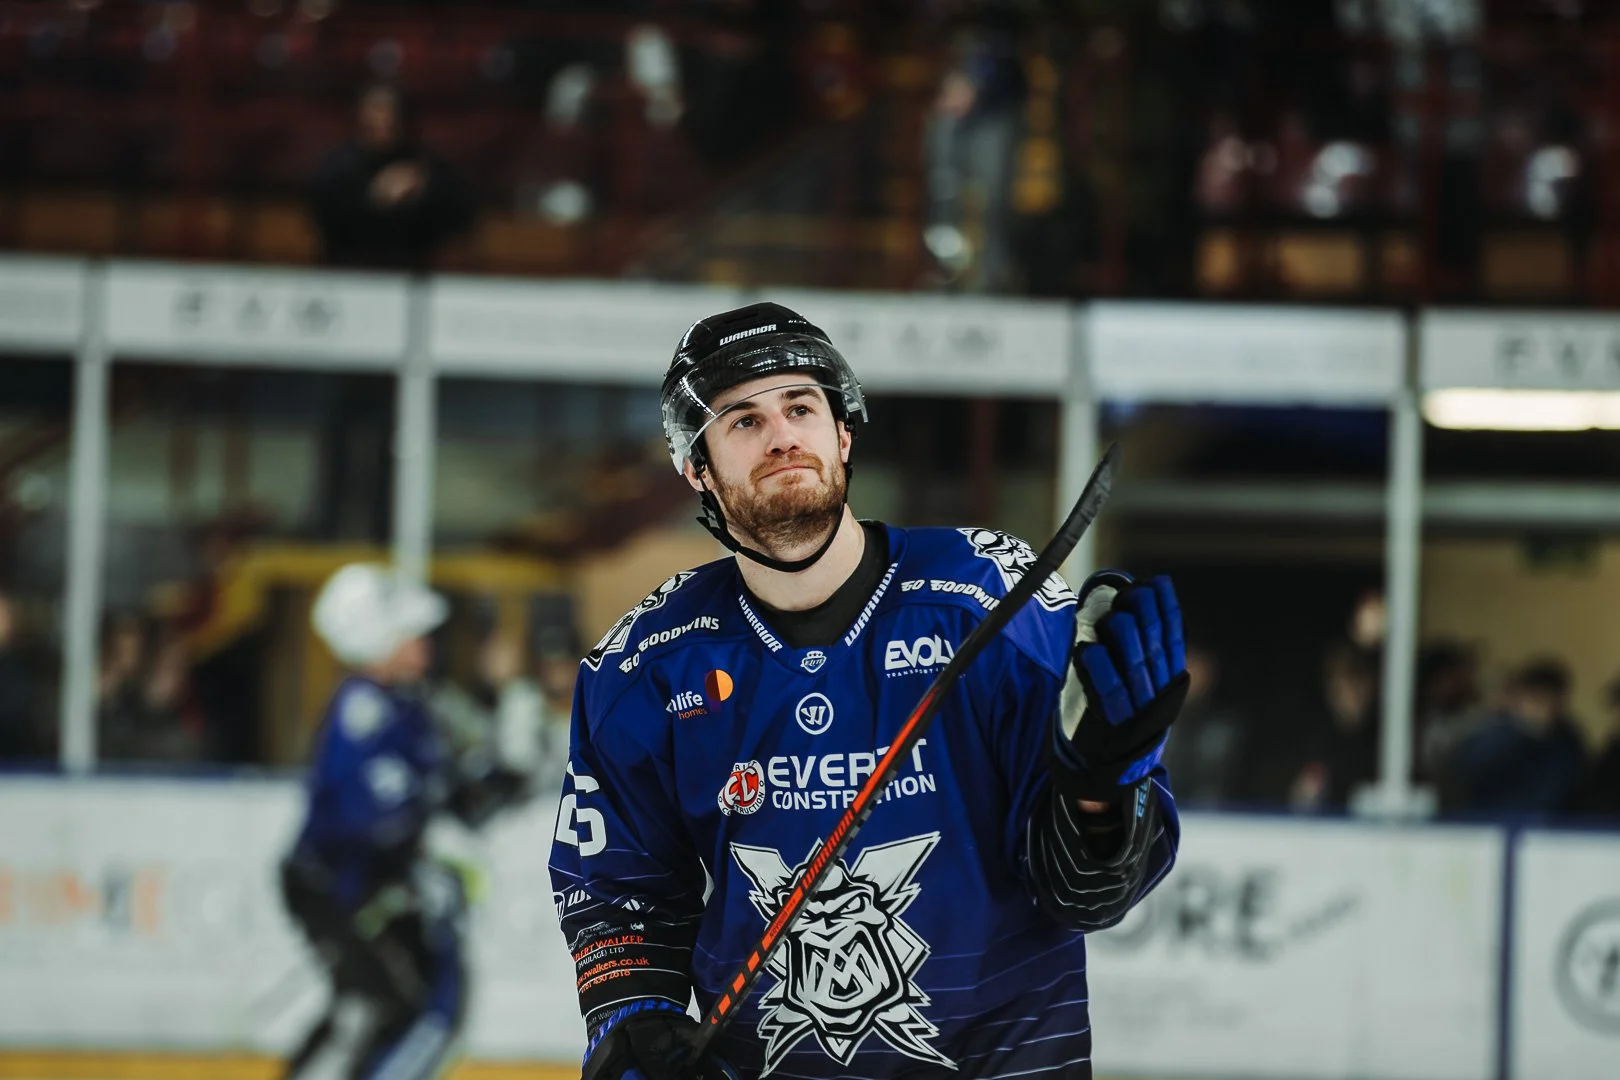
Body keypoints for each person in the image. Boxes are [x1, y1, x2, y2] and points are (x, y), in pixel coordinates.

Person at [549, 303, 1186, 1080]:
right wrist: (633, 1019)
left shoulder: (993, 602)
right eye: (742, 421)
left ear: (843, 432)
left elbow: (1088, 901)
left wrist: (1100, 793)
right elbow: (617, 886)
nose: (782, 434)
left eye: (801, 406)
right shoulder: (646, 665)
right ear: (698, 469)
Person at [280, 564, 527, 1080]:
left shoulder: (409, 706)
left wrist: (502, 780)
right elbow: (377, 816)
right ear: (378, 640)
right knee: (389, 1007)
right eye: (411, 634)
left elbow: (444, 799)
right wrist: (437, 826)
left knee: (406, 1006)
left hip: (372, 887)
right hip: (342, 889)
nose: (424, 643)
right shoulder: (364, 711)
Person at [308, 82, 474, 271]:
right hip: (351, 271)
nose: (381, 119)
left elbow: (459, 212)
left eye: (388, 110)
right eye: (375, 110)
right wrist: (372, 195)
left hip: (411, 270)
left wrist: (422, 191)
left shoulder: (424, 163)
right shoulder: (340, 166)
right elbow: (324, 216)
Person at [1443, 658, 1588, 818]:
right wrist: (1518, 733)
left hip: (1547, 831)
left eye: (1547, 700)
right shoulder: (1496, 729)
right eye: (1534, 699)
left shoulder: (1567, 741)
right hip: (1486, 826)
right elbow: (1468, 769)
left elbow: (1563, 787)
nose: (1540, 709)